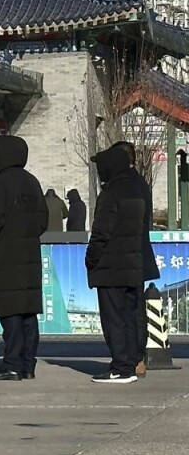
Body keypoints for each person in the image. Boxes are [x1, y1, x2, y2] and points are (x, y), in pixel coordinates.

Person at [0, 136, 47, 381]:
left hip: (6, 257)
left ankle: (12, 363)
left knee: (11, 313)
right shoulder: (32, 182)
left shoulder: (0, 183)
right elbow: (43, 220)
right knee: (28, 314)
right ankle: (28, 365)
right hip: (29, 257)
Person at [86, 146, 147, 384]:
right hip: (133, 264)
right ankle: (131, 362)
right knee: (130, 317)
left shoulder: (110, 194)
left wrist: (90, 259)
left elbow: (101, 232)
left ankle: (120, 367)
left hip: (111, 268)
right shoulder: (136, 191)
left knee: (113, 319)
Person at [110, 140, 159, 378]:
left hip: (126, 255)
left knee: (127, 309)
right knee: (135, 307)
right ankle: (137, 358)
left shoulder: (123, 184)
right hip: (139, 252)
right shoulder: (140, 182)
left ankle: (132, 358)